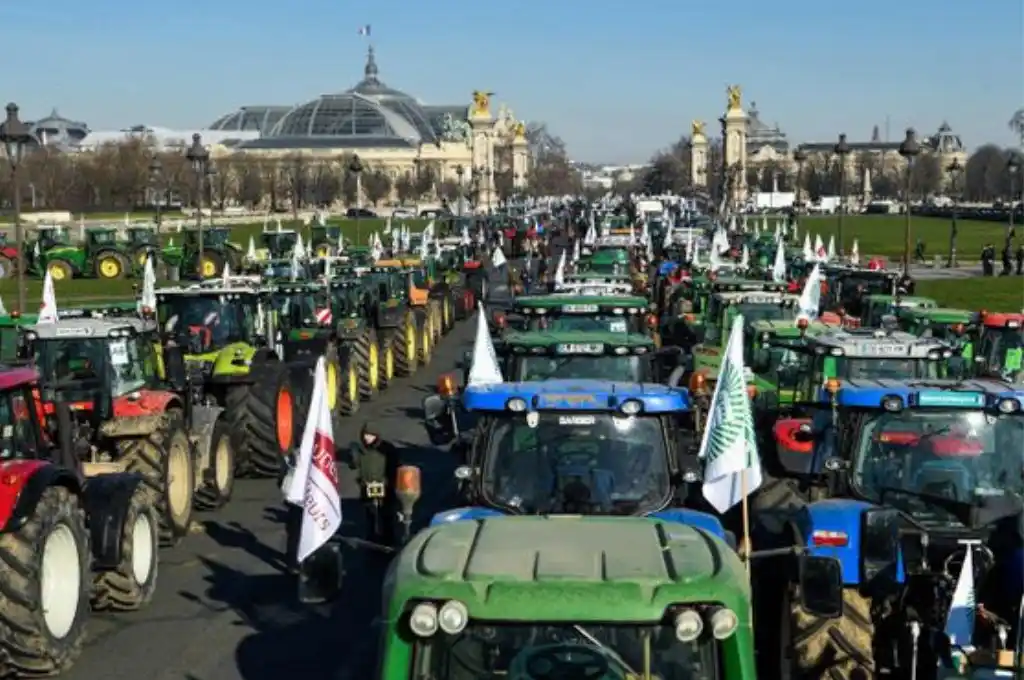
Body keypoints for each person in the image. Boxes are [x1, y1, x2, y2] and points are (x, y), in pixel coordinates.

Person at [348, 422, 400, 545]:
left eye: (370, 435)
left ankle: (389, 540)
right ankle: (371, 540)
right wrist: (353, 454)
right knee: (370, 514)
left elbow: (395, 467)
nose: (367, 438)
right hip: (367, 487)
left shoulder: (387, 449)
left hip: (385, 487)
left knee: (386, 514)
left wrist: (388, 482)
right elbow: (353, 465)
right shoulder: (361, 450)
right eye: (365, 435)